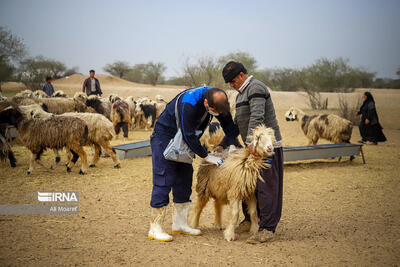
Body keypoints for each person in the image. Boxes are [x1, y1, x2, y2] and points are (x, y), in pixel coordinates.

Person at [148, 85, 239, 242]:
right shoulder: (188, 103)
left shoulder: (218, 102)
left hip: (184, 140)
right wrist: (207, 156)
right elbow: (188, 133)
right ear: (206, 103)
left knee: (184, 178)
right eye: (214, 112)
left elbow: (229, 126)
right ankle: (155, 228)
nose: (216, 115)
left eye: (219, 113)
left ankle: (180, 224)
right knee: (164, 177)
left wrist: (231, 144)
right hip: (166, 136)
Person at [217, 61, 284, 244]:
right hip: (251, 148)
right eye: (228, 83)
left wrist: (250, 144)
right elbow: (238, 124)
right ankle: (249, 221)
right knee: (247, 186)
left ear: (241, 75)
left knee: (266, 187)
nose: (231, 85)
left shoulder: (256, 88)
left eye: (232, 80)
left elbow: (257, 116)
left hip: (265, 148)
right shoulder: (240, 95)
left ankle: (267, 228)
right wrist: (223, 144)